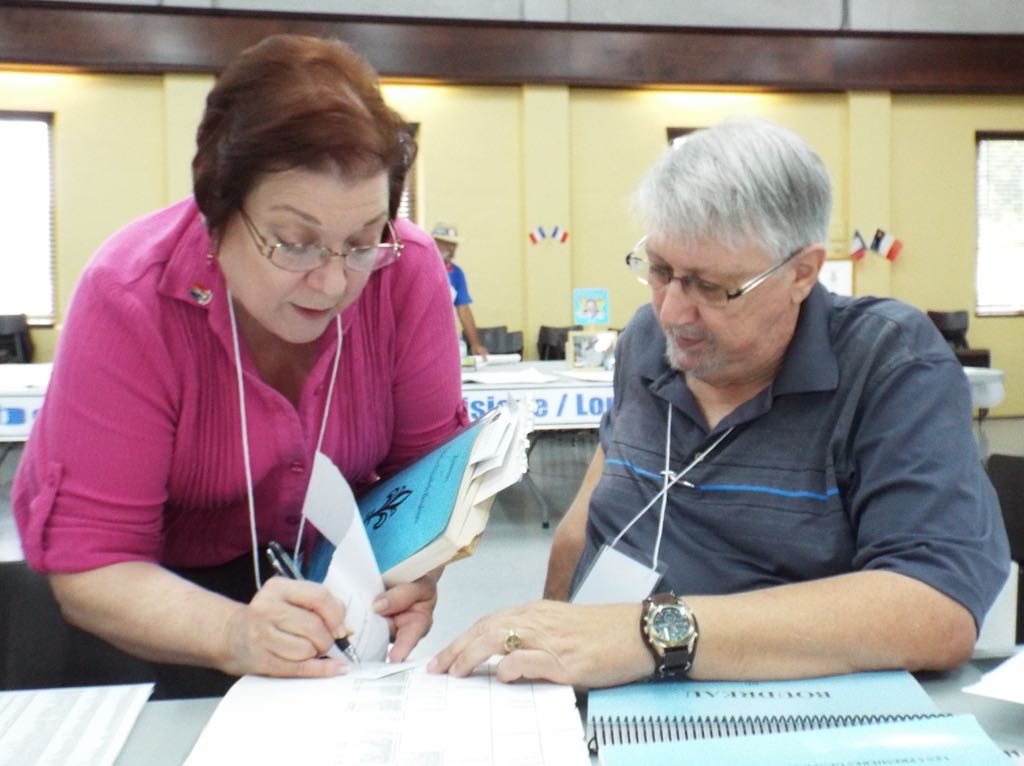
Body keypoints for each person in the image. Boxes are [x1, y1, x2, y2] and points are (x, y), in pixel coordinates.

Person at [430, 118, 1010, 689]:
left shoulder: (890, 363)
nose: (672, 313)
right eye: (659, 271)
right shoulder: (645, 340)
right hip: (610, 701)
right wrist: (547, 641)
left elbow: (935, 607)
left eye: (711, 287)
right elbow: (588, 516)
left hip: (771, 716)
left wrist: (650, 634)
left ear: (803, 272)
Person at [12, 34, 467, 697]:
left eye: (363, 241)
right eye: (295, 243)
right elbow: (95, 562)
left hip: (328, 594)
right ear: (217, 211)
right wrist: (233, 634)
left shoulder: (410, 273)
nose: (334, 283)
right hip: (153, 604)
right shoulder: (130, 299)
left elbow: (426, 479)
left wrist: (414, 572)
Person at [432, 223, 489, 358]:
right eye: (446, 244)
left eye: (454, 245)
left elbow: (463, 309)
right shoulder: (420, 269)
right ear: (434, 243)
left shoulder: (456, 273)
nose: (451, 249)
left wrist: (475, 344)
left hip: (445, 341)